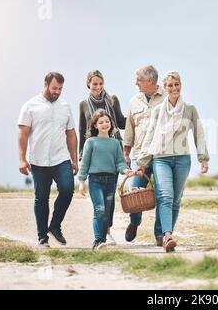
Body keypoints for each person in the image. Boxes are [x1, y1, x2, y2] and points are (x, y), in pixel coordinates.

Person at [137, 71, 209, 252]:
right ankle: (168, 235)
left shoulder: (190, 109)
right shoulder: (157, 111)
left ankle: (161, 234)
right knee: (165, 196)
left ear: (181, 85)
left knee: (176, 199)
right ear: (165, 88)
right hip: (161, 158)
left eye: (176, 84)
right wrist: (143, 160)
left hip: (182, 159)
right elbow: (150, 135)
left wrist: (203, 157)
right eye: (170, 85)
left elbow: (199, 134)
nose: (174, 88)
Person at [18, 72, 78, 248]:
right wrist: (21, 159)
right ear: (45, 84)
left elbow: (71, 134)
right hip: (38, 161)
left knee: (67, 190)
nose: (57, 92)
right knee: (41, 198)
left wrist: (74, 160)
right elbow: (22, 133)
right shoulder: (30, 106)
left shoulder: (65, 106)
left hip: (61, 158)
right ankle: (42, 237)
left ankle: (55, 225)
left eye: (60, 89)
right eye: (54, 88)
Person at [79, 70, 126, 245]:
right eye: (94, 84)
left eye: (101, 84)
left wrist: (138, 118)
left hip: (113, 151)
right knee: (99, 207)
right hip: (94, 152)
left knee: (110, 202)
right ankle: (101, 237)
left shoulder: (112, 100)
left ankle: (107, 231)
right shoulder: (83, 104)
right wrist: (81, 157)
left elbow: (121, 122)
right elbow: (83, 130)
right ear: (88, 85)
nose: (98, 87)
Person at [78, 109, 134, 250]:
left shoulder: (115, 143)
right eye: (101, 122)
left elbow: (120, 163)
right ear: (95, 125)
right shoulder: (90, 142)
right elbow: (84, 164)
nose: (105, 124)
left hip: (110, 181)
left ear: (111, 124)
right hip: (95, 180)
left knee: (107, 211)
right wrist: (81, 182)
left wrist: (126, 170)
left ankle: (101, 240)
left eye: (107, 121)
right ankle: (98, 240)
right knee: (99, 209)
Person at [123, 65, 166, 244]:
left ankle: (159, 234)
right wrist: (126, 152)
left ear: (150, 81)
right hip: (140, 154)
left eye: (139, 79)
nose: (136, 83)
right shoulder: (134, 101)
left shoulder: (167, 98)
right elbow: (129, 128)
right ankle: (135, 222)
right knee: (134, 190)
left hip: (162, 155)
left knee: (163, 194)